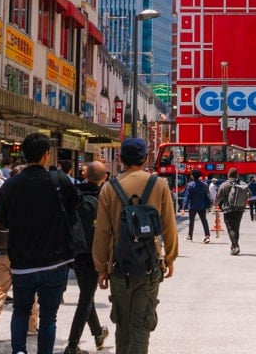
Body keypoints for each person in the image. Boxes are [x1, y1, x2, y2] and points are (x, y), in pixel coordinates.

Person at [0, 133, 80, 354]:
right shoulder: (58, 180)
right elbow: (75, 206)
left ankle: (19, 351)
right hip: (55, 260)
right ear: (46, 155)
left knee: (21, 310)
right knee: (49, 316)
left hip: (22, 261)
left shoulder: (10, 185)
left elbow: (1, 219)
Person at [93, 138, 177, 354]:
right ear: (145, 158)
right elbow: (169, 226)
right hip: (150, 264)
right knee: (142, 324)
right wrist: (169, 259)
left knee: (123, 324)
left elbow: (102, 231)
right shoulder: (159, 185)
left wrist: (101, 267)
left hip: (120, 266)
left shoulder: (109, 188)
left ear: (120, 159)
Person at [0, 165, 38, 343]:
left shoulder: (3, 193)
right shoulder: (32, 198)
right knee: (29, 289)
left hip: (2, 249)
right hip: (26, 253)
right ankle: (31, 326)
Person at [65, 160, 109, 354]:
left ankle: (98, 332)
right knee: (85, 298)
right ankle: (72, 345)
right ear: (105, 177)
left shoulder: (72, 194)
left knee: (87, 293)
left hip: (74, 251)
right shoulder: (104, 198)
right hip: (94, 253)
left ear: (85, 175)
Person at [216, 168, 248, 255]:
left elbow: (218, 197)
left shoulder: (224, 185)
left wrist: (214, 205)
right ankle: (235, 245)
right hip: (240, 209)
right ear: (237, 175)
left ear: (228, 175)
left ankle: (235, 246)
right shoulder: (242, 184)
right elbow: (249, 194)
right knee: (236, 228)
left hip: (228, 209)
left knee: (231, 228)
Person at [182, 170, 210, 243]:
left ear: (193, 176)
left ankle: (190, 236)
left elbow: (187, 196)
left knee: (191, 221)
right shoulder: (204, 184)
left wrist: (183, 208)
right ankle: (207, 236)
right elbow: (206, 195)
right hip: (202, 205)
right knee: (204, 220)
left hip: (192, 206)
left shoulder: (190, 185)